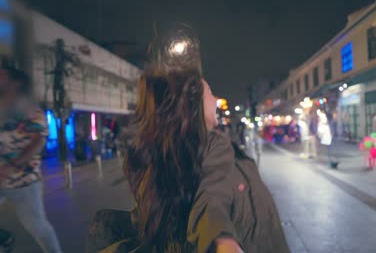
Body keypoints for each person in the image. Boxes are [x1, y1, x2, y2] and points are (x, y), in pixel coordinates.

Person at [90, 68, 289, 252]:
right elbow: (211, 196)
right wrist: (223, 241)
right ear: (194, 105)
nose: (216, 99)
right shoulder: (214, 143)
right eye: (210, 92)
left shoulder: (173, 154)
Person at [0, 67, 63, 253]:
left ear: (16, 83)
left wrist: (13, 164)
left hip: (24, 181)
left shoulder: (31, 110)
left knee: (37, 226)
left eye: (2, 74)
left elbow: (38, 142)